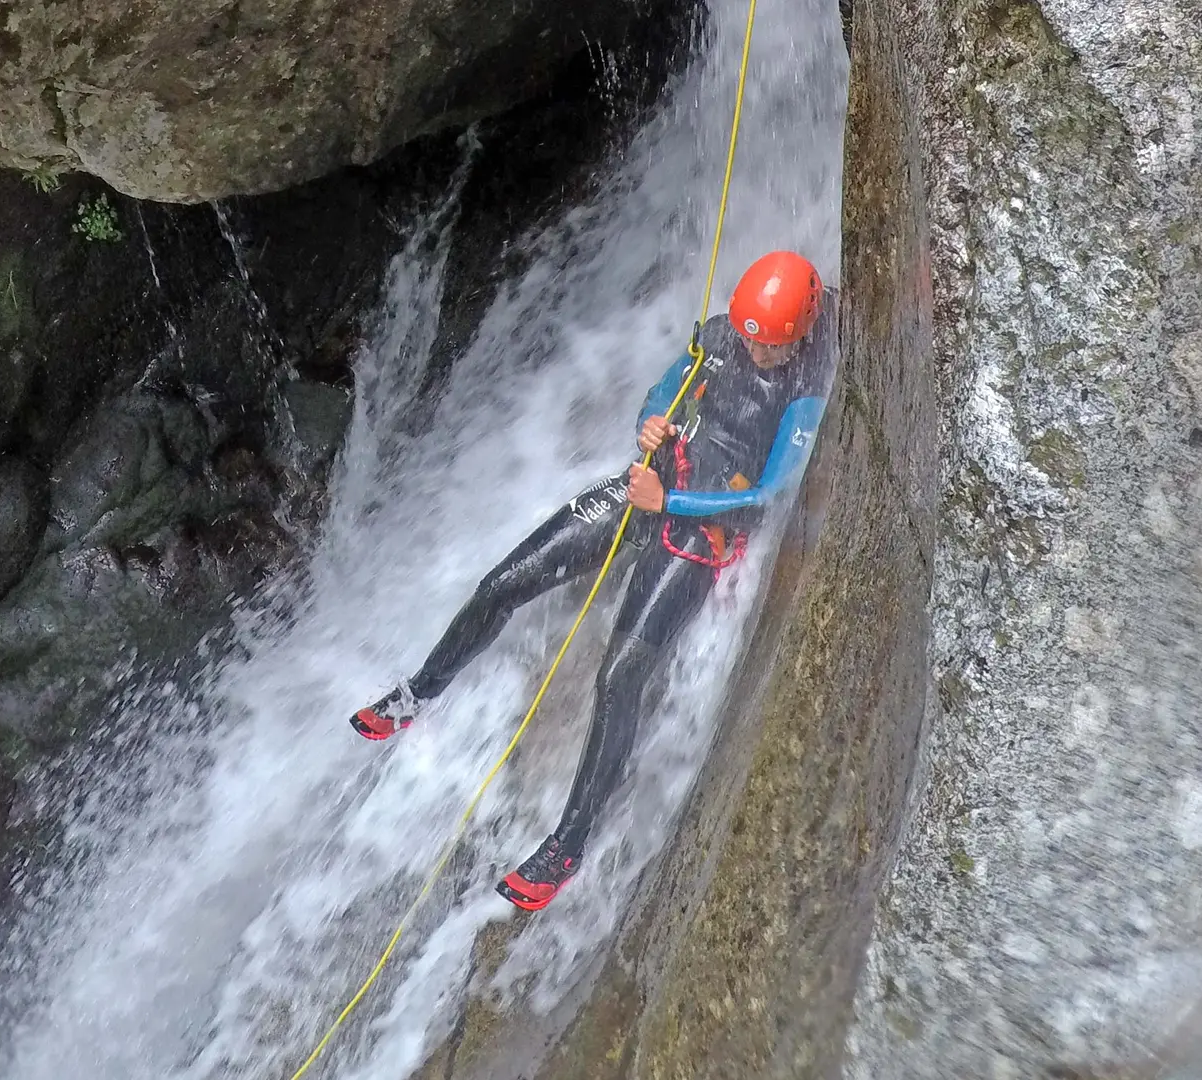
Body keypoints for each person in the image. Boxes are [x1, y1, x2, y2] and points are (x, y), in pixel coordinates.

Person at [347, 250, 839, 911]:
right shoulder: (721, 335)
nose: (759, 354)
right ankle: (418, 691)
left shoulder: (805, 382)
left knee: (620, 677)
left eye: (771, 345)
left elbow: (773, 489)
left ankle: (567, 846)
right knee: (504, 583)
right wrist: (653, 420)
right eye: (753, 339)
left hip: (701, 530)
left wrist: (670, 504)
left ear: (800, 331)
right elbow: (666, 388)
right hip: (652, 486)